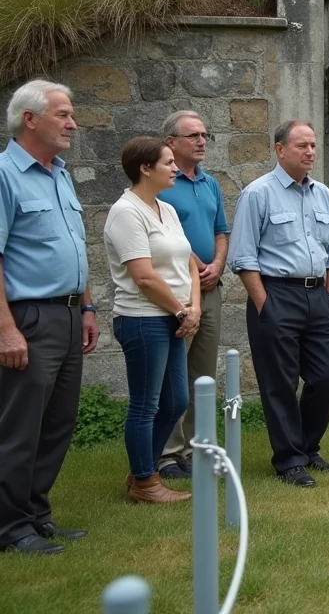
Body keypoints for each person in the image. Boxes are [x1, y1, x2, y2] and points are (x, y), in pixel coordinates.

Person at [0, 79, 99, 554]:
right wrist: (5, 329)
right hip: (28, 319)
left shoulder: (59, 173)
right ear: (29, 119)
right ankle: (9, 527)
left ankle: (36, 513)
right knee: (20, 427)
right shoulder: (3, 175)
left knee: (58, 422)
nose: (72, 123)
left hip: (67, 315)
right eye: (63, 114)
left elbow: (74, 247)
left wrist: (87, 307)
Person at [228, 121, 329, 488]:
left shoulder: (323, 194)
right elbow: (243, 257)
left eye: (313, 145)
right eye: (302, 145)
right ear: (280, 150)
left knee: (327, 376)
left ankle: (309, 448)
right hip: (276, 294)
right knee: (279, 383)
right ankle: (290, 461)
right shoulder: (258, 194)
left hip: (318, 298)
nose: (310, 152)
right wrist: (264, 304)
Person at [103, 137, 200, 504]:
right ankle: (145, 482)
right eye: (168, 162)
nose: (176, 168)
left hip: (175, 316)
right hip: (143, 320)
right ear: (145, 168)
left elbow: (190, 260)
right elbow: (143, 276)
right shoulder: (126, 212)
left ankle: (142, 469)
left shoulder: (166, 209)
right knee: (146, 404)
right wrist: (181, 310)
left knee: (176, 401)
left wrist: (195, 307)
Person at [155, 111, 230, 481]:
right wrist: (199, 266)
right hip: (176, 291)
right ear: (170, 142)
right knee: (174, 374)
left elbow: (221, 231)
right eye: (193, 136)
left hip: (210, 289)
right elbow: (166, 237)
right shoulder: (162, 182)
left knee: (203, 374)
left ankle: (196, 449)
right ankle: (168, 456)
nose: (202, 141)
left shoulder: (210, 183)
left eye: (205, 134)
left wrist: (217, 264)